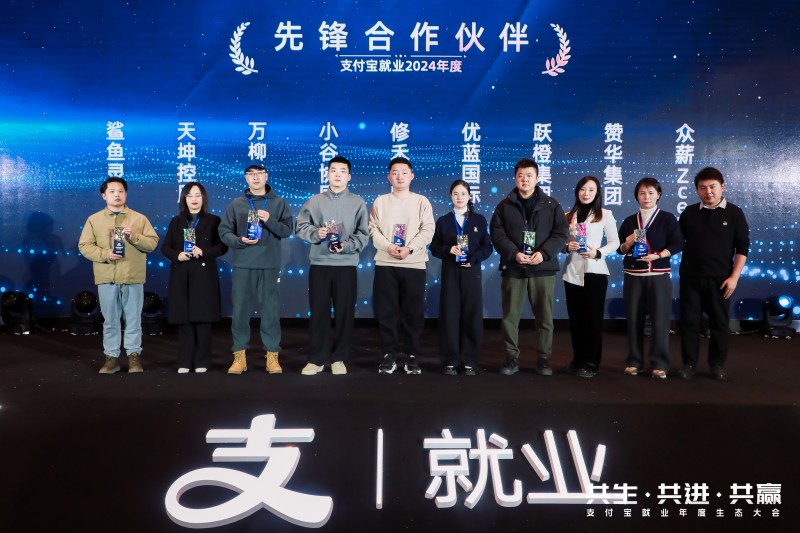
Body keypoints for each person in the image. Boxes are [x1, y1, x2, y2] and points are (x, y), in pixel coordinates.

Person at [490, 158, 569, 376]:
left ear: (537, 178)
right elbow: (497, 234)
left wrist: (543, 254)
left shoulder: (552, 205)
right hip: (513, 266)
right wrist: (513, 253)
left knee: (544, 317)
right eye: (520, 176)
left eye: (529, 175)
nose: (524, 179)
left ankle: (544, 359)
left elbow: (561, 233)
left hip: (543, 268)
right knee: (510, 317)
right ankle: (511, 358)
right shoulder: (504, 206)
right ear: (515, 178)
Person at [295, 156, 369, 376]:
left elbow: (363, 235)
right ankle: (317, 359)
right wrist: (316, 233)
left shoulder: (358, 202)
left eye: (342, 171)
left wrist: (346, 246)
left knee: (345, 313)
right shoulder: (315, 201)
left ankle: (339, 358)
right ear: (327, 174)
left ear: (349, 176)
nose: (337, 174)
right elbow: (300, 227)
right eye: (333, 170)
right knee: (319, 311)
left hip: (346, 265)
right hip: (320, 263)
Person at [78, 177, 159, 374]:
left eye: (121, 191)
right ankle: (111, 359)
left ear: (126, 194)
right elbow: (84, 246)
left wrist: (135, 237)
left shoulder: (139, 219)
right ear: (103, 195)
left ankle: (134, 357)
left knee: (133, 320)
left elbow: (152, 243)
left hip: (132, 276)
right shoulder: (94, 219)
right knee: (110, 321)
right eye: (112, 191)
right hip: (107, 277)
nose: (117, 195)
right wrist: (106, 254)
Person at [218, 164, 294, 374]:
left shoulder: (278, 203)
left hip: (269, 264)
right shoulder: (237, 204)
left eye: (259, 174)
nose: (255, 178)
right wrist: (239, 240)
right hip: (243, 264)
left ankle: (272, 356)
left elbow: (287, 230)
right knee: (240, 311)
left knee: (270, 311)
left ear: (266, 176)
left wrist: (270, 220)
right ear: (246, 178)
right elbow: (224, 231)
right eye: (251, 175)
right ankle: (239, 356)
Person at [678, 167, 749, 381]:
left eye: (712, 187)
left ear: (722, 187)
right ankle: (689, 364)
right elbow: (675, 241)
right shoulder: (689, 213)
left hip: (721, 279)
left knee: (719, 323)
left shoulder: (734, 213)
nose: (708, 192)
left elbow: (742, 248)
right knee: (689, 323)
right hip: (690, 278)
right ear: (697, 190)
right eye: (703, 188)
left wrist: (734, 277)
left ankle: (717, 365)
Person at [369, 157, 435, 375]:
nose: (399, 176)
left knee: (412, 312)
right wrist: (388, 246)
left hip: (414, 263)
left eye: (404, 172)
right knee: (386, 311)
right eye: (395, 173)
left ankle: (411, 355)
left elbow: (428, 230)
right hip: (385, 262)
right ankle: (389, 355)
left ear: (412, 176)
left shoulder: (421, 201)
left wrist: (410, 248)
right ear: (389, 176)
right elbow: (372, 229)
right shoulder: (380, 201)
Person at [617, 177, 683, 379]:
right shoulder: (630, 221)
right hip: (633, 276)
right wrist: (627, 243)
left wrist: (659, 255)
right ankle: (634, 361)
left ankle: (660, 364)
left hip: (658, 275)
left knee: (660, 320)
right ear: (637, 196)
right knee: (633, 319)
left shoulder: (667, 218)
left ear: (658, 195)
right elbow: (620, 249)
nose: (646, 197)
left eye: (651, 193)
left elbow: (678, 243)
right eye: (642, 193)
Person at [160, 182, 228, 373]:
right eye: (190, 196)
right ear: (184, 199)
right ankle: (184, 361)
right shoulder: (176, 221)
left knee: (203, 320)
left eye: (198, 195)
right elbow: (165, 247)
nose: (194, 199)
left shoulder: (214, 220)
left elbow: (222, 246)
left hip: (203, 275)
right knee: (184, 320)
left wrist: (203, 252)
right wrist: (177, 255)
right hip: (181, 274)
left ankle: (202, 362)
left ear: (203, 198)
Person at [429, 179, 493, 375]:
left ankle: (469, 360)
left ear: (469, 196)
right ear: (451, 196)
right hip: (450, 271)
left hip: (471, 272)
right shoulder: (443, 221)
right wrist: (449, 249)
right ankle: (450, 360)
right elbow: (434, 248)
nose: (459, 197)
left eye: (463, 193)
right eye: (456, 193)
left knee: (472, 314)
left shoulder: (479, 220)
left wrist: (474, 259)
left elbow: (487, 247)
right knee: (449, 314)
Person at [561, 176, 620, 378]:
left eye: (591, 190)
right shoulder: (568, 215)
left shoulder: (605, 214)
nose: (586, 193)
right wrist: (566, 246)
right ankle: (578, 359)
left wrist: (598, 252)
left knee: (592, 319)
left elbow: (614, 242)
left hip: (595, 271)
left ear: (597, 193)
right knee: (576, 319)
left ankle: (591, 362)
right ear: (577, 191)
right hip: (572, 271)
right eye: (582, 189)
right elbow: (560, 241)